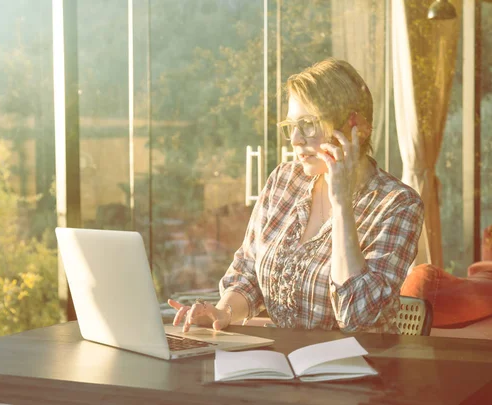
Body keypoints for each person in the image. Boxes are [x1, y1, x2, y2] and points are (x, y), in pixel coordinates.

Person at [168, 58, 424, 333]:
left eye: (309, 125)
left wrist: (341, 204)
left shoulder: (398, 204)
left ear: (354, 129)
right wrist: (223, 311)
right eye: (292, 126)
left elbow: (357, 317)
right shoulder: (284, 180)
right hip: (281, 361)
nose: (295, 140)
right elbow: (248, 272)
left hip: (356, 368)